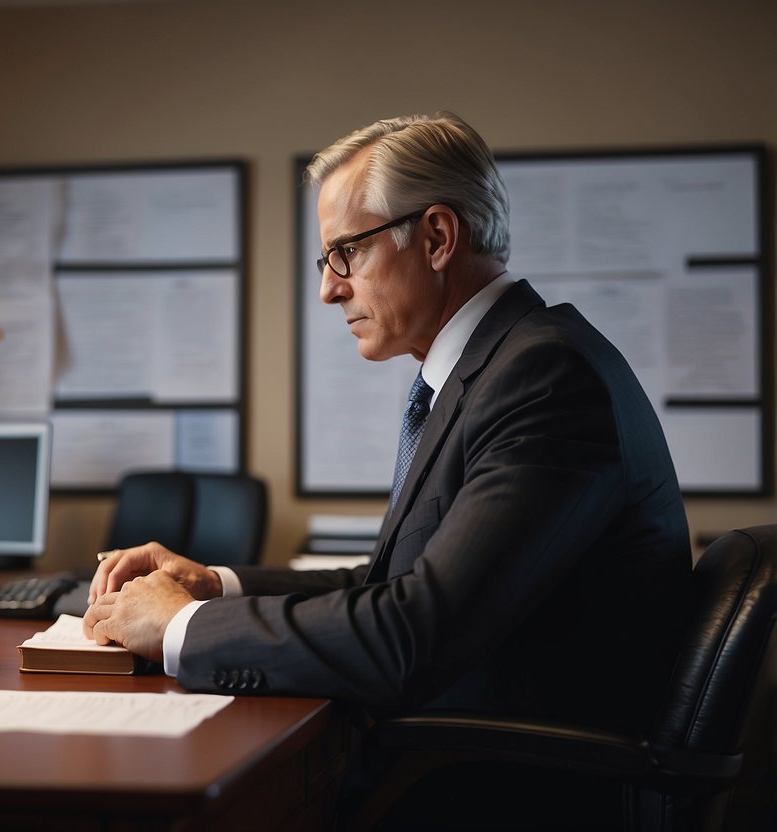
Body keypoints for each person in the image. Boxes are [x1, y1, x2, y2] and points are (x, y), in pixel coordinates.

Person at [83, 113, 691, 745]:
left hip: (503, 783)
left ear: (435, 238)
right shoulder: (493, 369)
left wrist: (183, 628)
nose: (327, 289)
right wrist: (214, 586)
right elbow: (391, 587)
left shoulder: (544, 376)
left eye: (347, 252)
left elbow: (413, 634)